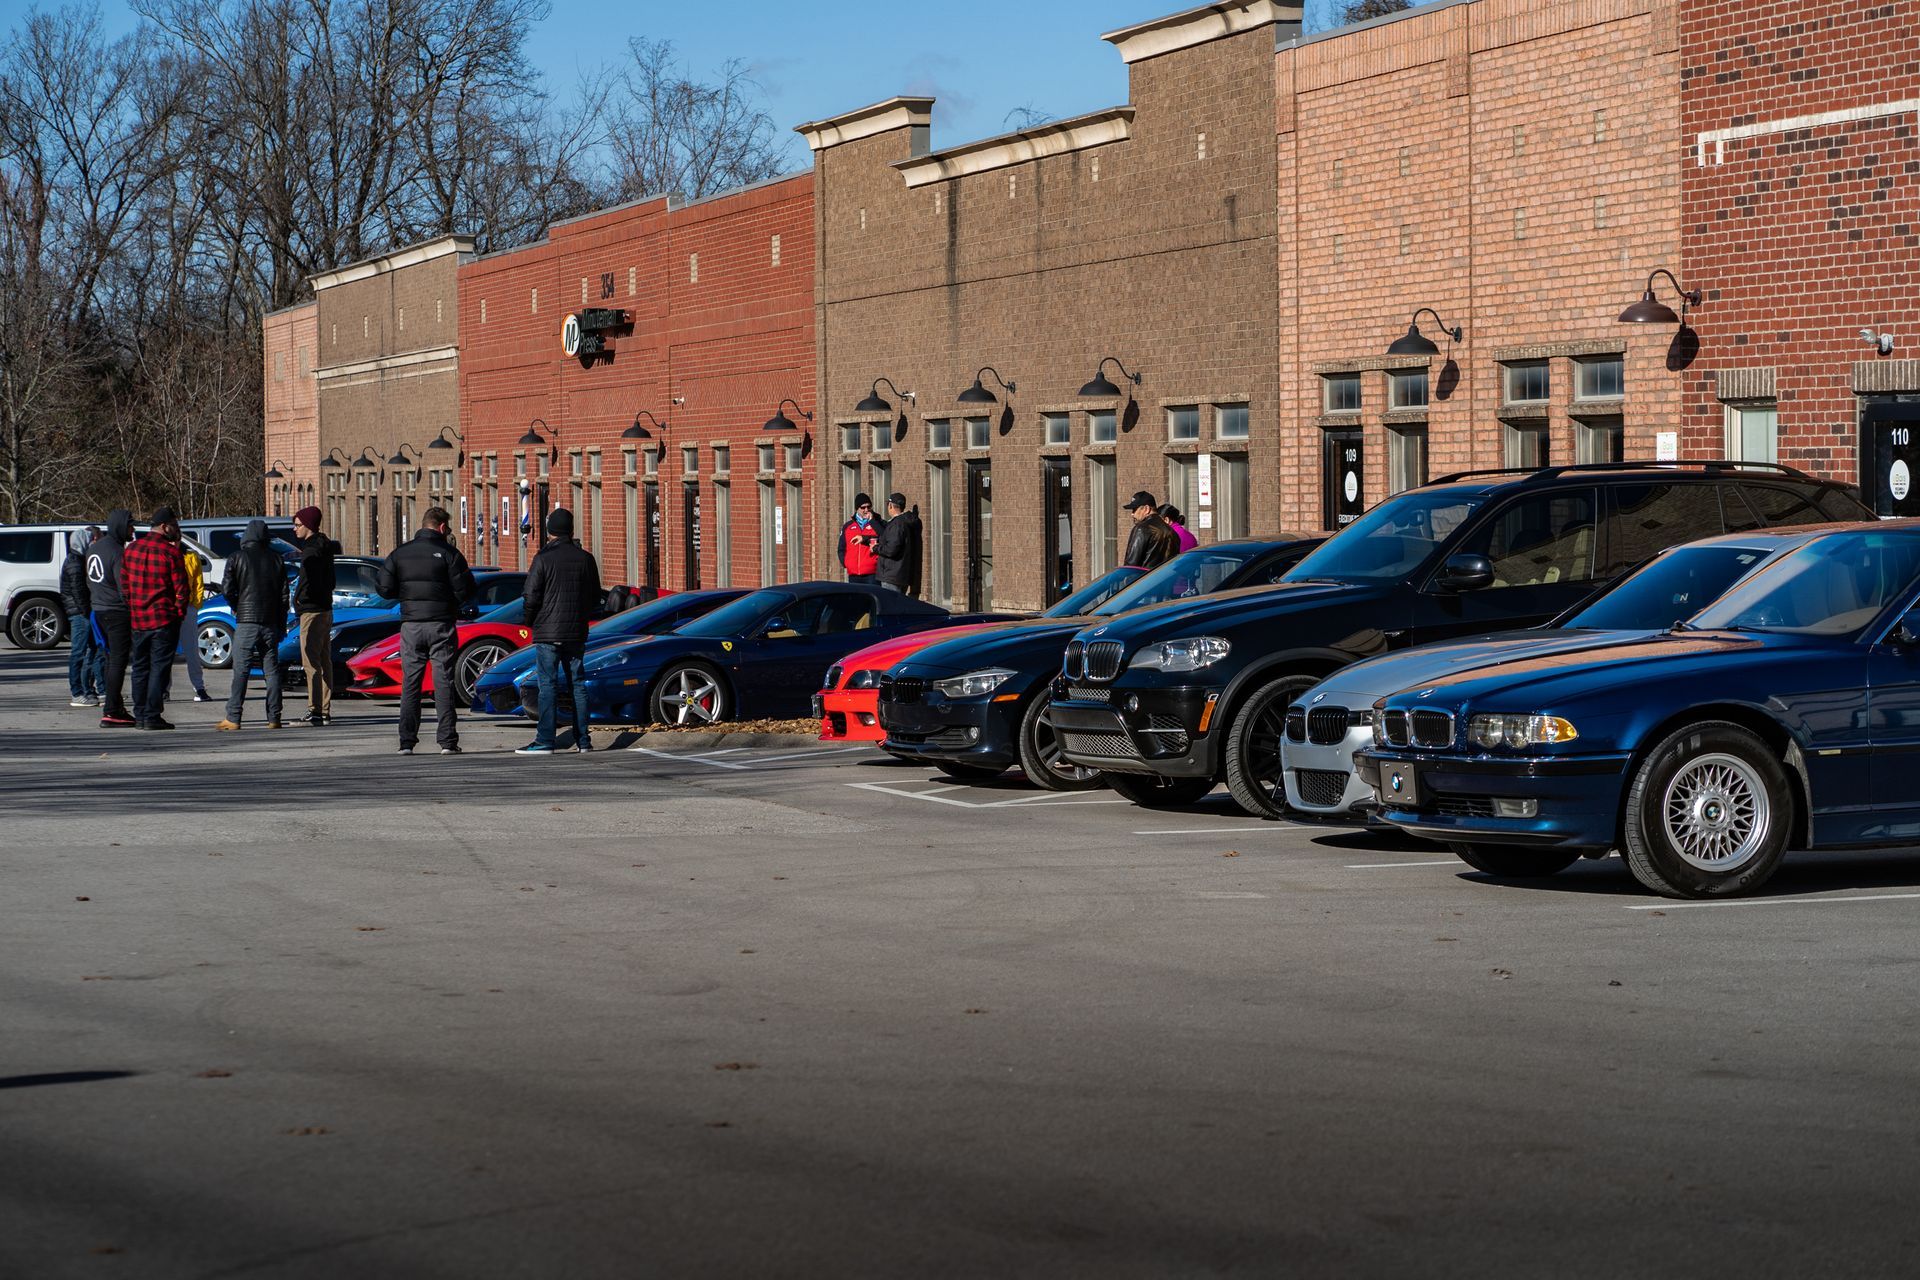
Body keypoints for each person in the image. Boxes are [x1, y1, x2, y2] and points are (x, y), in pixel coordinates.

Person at [376, 506, 477, 755]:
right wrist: (450, 601)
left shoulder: (400, 554)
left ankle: (407, 742)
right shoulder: (449, 554)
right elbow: (466, 590)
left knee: (411, 682)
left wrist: (407, 595)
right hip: (441, 623)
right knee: (443, 681)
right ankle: (447, 741)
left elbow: (384, 588)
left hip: (411, 625)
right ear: (442, 527)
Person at [517, 509, 602, 756]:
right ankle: (583, 739)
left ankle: (545, 740)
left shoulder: (543, 558)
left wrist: (529, 621)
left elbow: (531, 596)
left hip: (548, 632)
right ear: (571, 530)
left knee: (548, 685)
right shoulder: (585, 559)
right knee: (577, 684)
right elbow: (595, 597)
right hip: (576, 631)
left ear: (549, 531)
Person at [216, 519, 289, 731]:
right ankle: (274, 718)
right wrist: (281, 623)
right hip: (270, 621)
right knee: (272, 670)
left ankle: (234, 717)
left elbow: (227, 589)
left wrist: (237, 605)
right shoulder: (277, 559)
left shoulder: (237, 558)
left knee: (241, 670)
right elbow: (284, 595)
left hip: (247, 621)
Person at [122, 505, 191, 731]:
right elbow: (182, 589)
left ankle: (140, 713)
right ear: (164, 526)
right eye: (174, 524)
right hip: (163, 618)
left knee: (140, 668)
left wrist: (132, 607)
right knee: (159, 668)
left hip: (138, 619)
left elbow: (124, 586)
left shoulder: (131, 549)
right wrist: (178, 614)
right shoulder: (170, 553)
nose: (176, 528)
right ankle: (151, 715)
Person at [87, 510, 136, 728]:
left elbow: (87, 579)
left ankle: (115, 706)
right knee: (118, 660)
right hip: (116, 611)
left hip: (98, 610)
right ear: (119, 526)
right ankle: (111, 711)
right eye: (129, 526)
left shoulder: (94, 548)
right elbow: (124, 586)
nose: (132, 530)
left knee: (109, 659)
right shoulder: (117, 551)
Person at [291, 505, 338, 727]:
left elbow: (307, 581)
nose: (294, 529)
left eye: (298, 525)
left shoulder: (311, 552)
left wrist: (298, 599)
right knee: (323, 660)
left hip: (311, 611)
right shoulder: (325, 547)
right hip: (326, 608)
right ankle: (325, 709)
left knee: (310, 662)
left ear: (308, 526)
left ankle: (315, 710)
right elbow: (331, 582)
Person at [61, 526, 102, 707]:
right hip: (79, 614)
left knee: (92, 649)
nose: (92, 542)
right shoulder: (75, 564)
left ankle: (88, 690)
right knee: (78, 653)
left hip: (83, 613)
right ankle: (77, 693)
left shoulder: (78, 560)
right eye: (89, 539)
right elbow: (79, 594)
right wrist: (88, 614)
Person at [174, 536, 212, 702]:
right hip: (168, 609)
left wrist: (195, 604)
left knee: (192, 650)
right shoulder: (163, 556)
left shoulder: (191, 557)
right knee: (166, 652)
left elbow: (198, 582)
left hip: (187, 607)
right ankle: (163, 689)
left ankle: (199, 687)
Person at [873, 492, 922, 596]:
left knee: (892, 607)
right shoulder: (905, 522)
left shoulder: (897, 524)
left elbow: (891, 549)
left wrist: (876, 548)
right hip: (900, 574)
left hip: (892, 575)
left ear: (890, 506)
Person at [1122, 491, 1180, 571]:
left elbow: (1130, 565)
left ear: (1146, 509)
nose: (1132, 514)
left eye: (1134, 509)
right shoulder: (1173, 533)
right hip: (1166, 582)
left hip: (1143, 581)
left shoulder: (1141, 529)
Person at [838, 493, 882, 584]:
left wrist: (872, 521)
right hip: (853, 575)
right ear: (857, 508)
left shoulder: (878, 523)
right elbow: (841, 548)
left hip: (872, 574)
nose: (866, 510)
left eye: (868, 507)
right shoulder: (848, 526)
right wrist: (846, 563)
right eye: (863, 507)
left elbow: (885, 539)